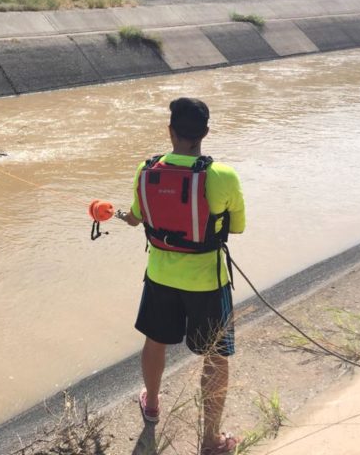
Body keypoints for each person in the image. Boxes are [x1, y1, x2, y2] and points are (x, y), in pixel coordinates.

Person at [117, 97, 246, 455]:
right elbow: (237, 227)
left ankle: (153, 405)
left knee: (155, 341)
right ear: (205, 132)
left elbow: (136, 215)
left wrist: (119, 215)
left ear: (170, 131)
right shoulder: (222, 175)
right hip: (208, 282)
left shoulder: (146, 170)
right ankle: (210, 441)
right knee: (216, 356)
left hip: (159, 276)